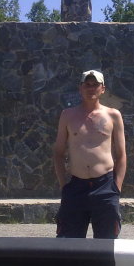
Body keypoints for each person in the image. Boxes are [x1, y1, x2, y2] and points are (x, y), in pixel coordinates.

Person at [53, 69, 127, 239]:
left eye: (95, 84)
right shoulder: (67, 115)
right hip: (75, 187)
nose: (91, 88)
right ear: (80, 88)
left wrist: (116, 188)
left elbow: (121, 154)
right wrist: (64, 187)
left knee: (106, 244)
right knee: (69, 244)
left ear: (103, 89)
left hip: (105, 186)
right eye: (87, 84)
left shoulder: (113, 115)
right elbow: (58, 152)